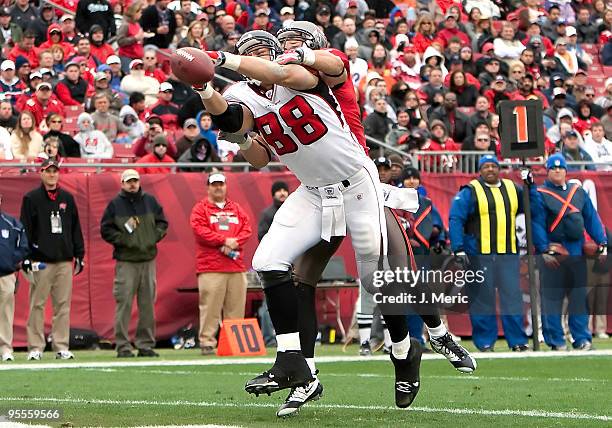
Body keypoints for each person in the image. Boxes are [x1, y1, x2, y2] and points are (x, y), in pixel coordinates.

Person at [196, 31, 423, 409]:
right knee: (267, 261)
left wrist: (220, 58)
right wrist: (204, 88)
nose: (253, 56)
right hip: (315, 191)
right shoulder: (241, 93)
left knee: (374, 278)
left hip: (356, 183)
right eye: (245, 52)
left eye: (259, 50)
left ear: (273, 52)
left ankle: (403, 351)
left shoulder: (298, 69)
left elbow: (285, 76)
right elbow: (241, 130)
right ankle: (291, 361)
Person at [449, 155, 535, 352]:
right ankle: (485, 342)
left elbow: (532, 207)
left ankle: (518, 341)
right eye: (486, 166)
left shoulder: (513, 188)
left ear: (499, 169)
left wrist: (531, 185)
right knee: (482, 299)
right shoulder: (471, 191)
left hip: (507, 254)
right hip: (479, 254)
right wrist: (459, 248)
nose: (490, 169)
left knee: (512, 298)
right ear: (480, 170)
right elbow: (456, 219)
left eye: (493, 166)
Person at [532, 154, 608, 351]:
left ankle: (581, 337)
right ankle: (555, 339)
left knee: (578, 298)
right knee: (552, 299)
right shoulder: (540, 193)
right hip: (554, 252)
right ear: (547, 171)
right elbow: (537, 223)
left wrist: (602, 242)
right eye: (553, 168)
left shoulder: (578, 192)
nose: (557, 171)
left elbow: (591, 218)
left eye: (561, 168)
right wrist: (544, 249)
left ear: (566, 170)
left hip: (576, 250)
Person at [20, 159, 85, 361]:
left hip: (64, 260)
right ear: (41, 173)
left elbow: (75, 228)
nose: (52, 175)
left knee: (63, 305)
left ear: (59, 174)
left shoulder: (68, 198)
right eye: (48, 171)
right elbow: (26, 230)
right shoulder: (31, 198)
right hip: (41, 261)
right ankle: (35, 347)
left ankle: (61, 346)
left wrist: (79, 255)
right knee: (37, 305)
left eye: (55, 171)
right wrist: (27, 258)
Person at [100, 169, 168, 358]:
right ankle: (123, 345)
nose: (132, 184)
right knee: (124, 303)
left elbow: (163, 223)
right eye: (129, 181)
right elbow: (105, 230)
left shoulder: (150, 201)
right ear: (122, 183)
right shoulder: (115, 204)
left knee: (147, 305)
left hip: (148, 260)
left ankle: (145, 344)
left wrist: (151, 238)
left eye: (135, 181)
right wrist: (125, 240)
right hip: (126, 261)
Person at [190, 173, 252, 355]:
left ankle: (234, 343)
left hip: (235, 266)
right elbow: (199, 230)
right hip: (211, 267)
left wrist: (235, 242)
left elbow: (246, 229)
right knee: (210, 307)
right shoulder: (201, 209)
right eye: (214, 184)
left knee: (236, 308)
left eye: (221, 184)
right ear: (208, 187)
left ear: (226, 186)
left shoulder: (236, 209)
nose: (218, 187)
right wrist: (224, 240)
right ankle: (207, 342)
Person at [0, 193, 29, 362]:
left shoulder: (11, 224)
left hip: (5, 274)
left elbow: (23, 246)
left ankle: (5, 348)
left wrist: (11, 259)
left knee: (5, 313)